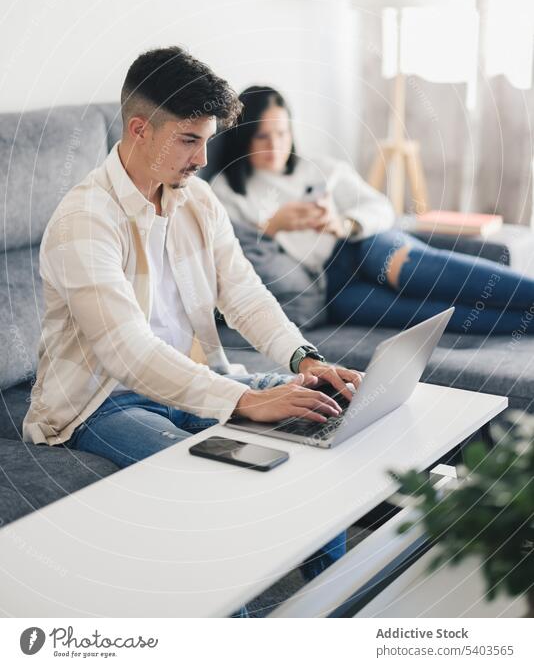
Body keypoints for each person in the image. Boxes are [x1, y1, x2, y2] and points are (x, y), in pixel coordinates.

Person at [23, 49, 361, 615]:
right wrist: (245, 400)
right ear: (139, 129)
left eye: (206, 141)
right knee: (213, 490)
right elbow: (127, 352)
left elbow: (245, 293)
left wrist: (303, 357)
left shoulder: (196, 200)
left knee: (327, 411)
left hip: (200, 378)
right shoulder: (84, 221)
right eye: (188, 141)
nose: (204, 159)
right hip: (104, 403)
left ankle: (337, 612)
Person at [211, 85, 534, 336]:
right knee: (434, 316)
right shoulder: (226, 191)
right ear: (243, 138)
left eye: (282, 133)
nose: (275, 145)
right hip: (333, 286)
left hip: (364, 246)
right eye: (262, 136)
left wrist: (344, 223)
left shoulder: (320, 168)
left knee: (417, 273)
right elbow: (231, 257)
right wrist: (271, 226)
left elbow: (382, 208)